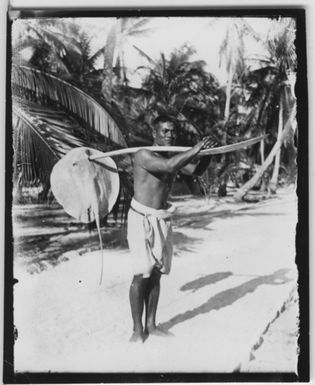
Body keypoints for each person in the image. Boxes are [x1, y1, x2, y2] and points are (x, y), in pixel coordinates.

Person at [127, 115, 216, 343]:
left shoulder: (173, 156)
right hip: (141, 219)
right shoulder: (144, 155)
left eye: (172, 132)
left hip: (162, 218)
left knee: (156, 273)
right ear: (154, 133)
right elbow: (168, 166)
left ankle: (151, 325)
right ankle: (138, 331)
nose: (170, 135)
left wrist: (206, 154)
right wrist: (196, 148)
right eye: (165, 131)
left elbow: (194, 171)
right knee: (142, 273)